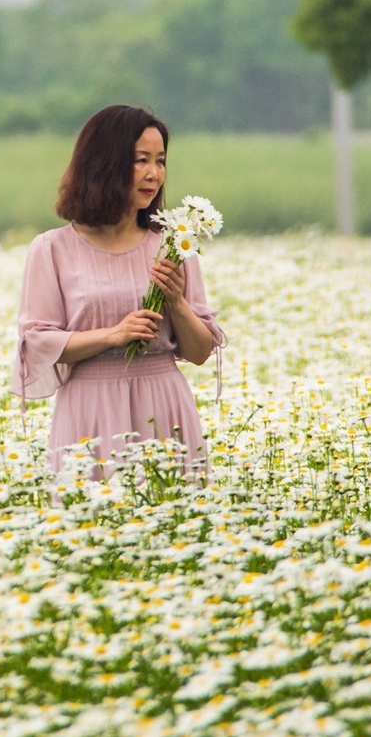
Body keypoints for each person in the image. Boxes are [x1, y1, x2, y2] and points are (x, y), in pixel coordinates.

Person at [12, 104, 224, 478]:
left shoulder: (175, 246)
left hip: (164, 404)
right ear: (104, 163)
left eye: (160, 161)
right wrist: (113, 336)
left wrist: (176, 302)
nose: (154, 174)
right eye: (141, 160)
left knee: (174, 522)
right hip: (89, 408)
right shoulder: (52, 249)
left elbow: (200, 352)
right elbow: (38, 343)